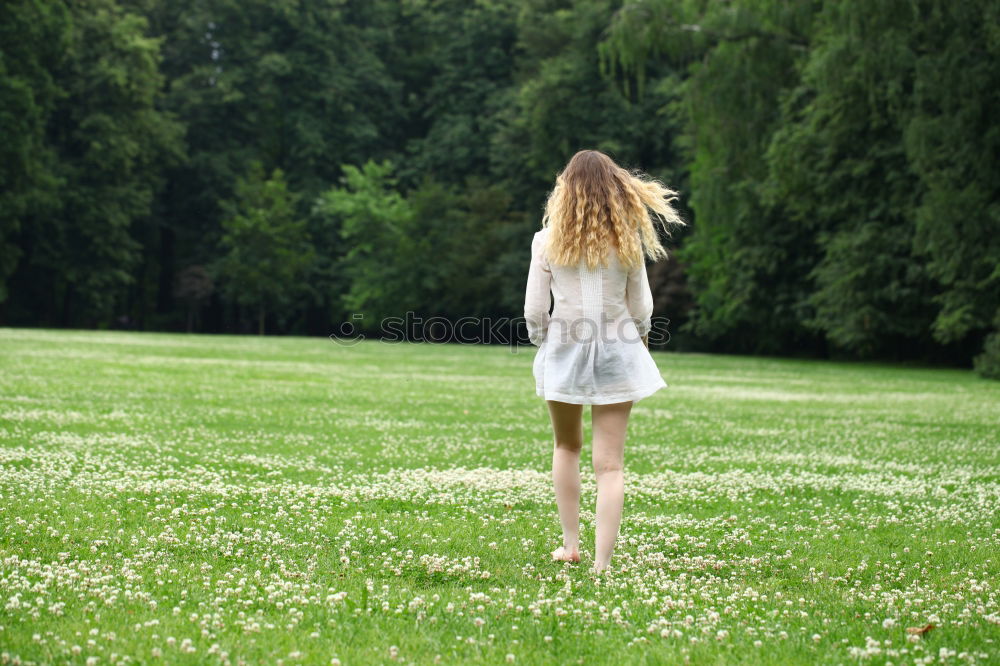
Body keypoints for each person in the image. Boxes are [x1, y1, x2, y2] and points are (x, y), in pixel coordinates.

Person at [523, 149, 686, 573]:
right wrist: (641, 345)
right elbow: (642, 309)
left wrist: (545, 344)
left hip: (564, 350)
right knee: (610, 464)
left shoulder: (546, 241)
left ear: (566, 190)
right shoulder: (627, 240)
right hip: (618, 351)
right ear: (615, 190)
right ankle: (602, 564)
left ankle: (571, 545)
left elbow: (535, 312)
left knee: (566, 446)